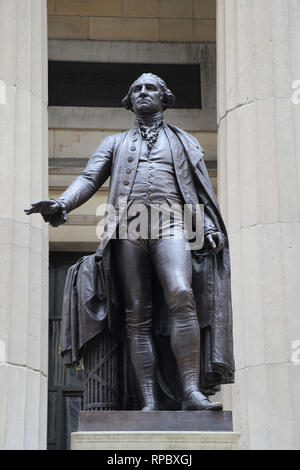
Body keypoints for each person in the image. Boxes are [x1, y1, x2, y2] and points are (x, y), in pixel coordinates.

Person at [25, 73, 234, 411]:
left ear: (164, 97)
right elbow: (89, 177)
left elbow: (197, 188)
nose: (143, 92)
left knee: (181, 293)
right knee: (138, 314)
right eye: (136, 89)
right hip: (128, 227)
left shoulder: (185, 142)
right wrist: (62, 203)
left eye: (150, 88)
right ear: (129, 100)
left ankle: (192, 391)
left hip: (172, 223)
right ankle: (149, 400)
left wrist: (208, 223)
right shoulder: (114, 143)